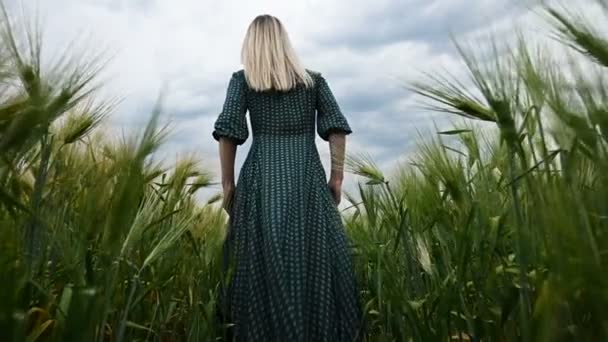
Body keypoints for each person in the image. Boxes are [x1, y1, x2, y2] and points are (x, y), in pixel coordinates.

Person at [212, 14, 365, 342]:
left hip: (261, 178)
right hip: (305, 175)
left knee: (258, 262)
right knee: (312, 257)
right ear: (285, 41)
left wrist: (227, 185)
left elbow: (228, 132)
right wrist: (336, 178)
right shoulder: (313, 82)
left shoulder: (242, 81)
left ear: (251, 44)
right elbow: (336, 126)